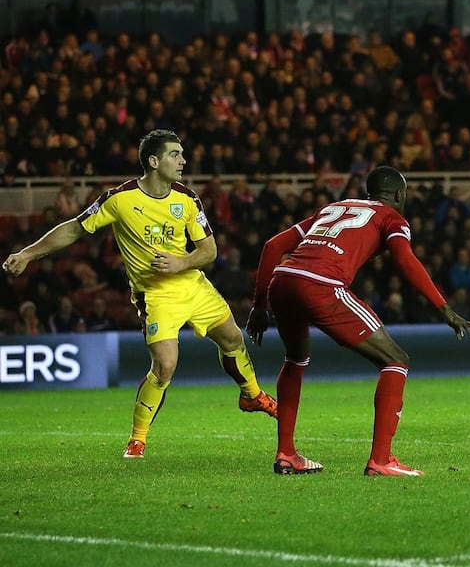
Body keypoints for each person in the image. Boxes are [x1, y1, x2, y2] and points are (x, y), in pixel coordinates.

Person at [3, 129, 278, 459]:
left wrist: (182, 262)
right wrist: (27, 254)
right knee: (164, 365)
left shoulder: (187, 199)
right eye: (175, 154)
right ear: (153, 160)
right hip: (155, 295)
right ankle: (137, 439)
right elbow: (75, 227)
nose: (183, 160)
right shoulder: (119, 199)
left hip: (192, 285)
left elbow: (209, 250)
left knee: (233, 338)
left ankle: (251, 395)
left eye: (181, 153)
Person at [246, 165, 470, 476]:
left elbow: (273, 246)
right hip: (321, 284)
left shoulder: (335, 206)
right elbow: (404, 258)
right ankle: (381, 460)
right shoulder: (391, 217)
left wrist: (259, 305)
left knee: (296, 359)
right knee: (395, 359)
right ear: (399, 194)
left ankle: (286, 454)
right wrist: (443, 307)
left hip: (283, 281)